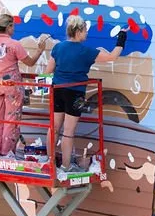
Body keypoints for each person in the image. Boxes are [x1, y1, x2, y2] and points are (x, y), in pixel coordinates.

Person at [45, 15, 127, 173]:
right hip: (76, 94)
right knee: (68, 132)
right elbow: (112, 56)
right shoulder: (87, 51)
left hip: (57, 90)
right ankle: (65, 166)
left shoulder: (58, 47)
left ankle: (50, 163)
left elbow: (48, 72)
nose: (87, 34)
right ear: (78, 31)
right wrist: (122, 37)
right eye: (85, 31)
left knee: (54, 127)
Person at [0, 14, 48, 156]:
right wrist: (39, 51)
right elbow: (30, 62)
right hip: (12, 86)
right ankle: (7, 152)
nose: (14, 28)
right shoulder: (14, 44)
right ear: (8, 27)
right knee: (11, 119)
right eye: (13, 25)